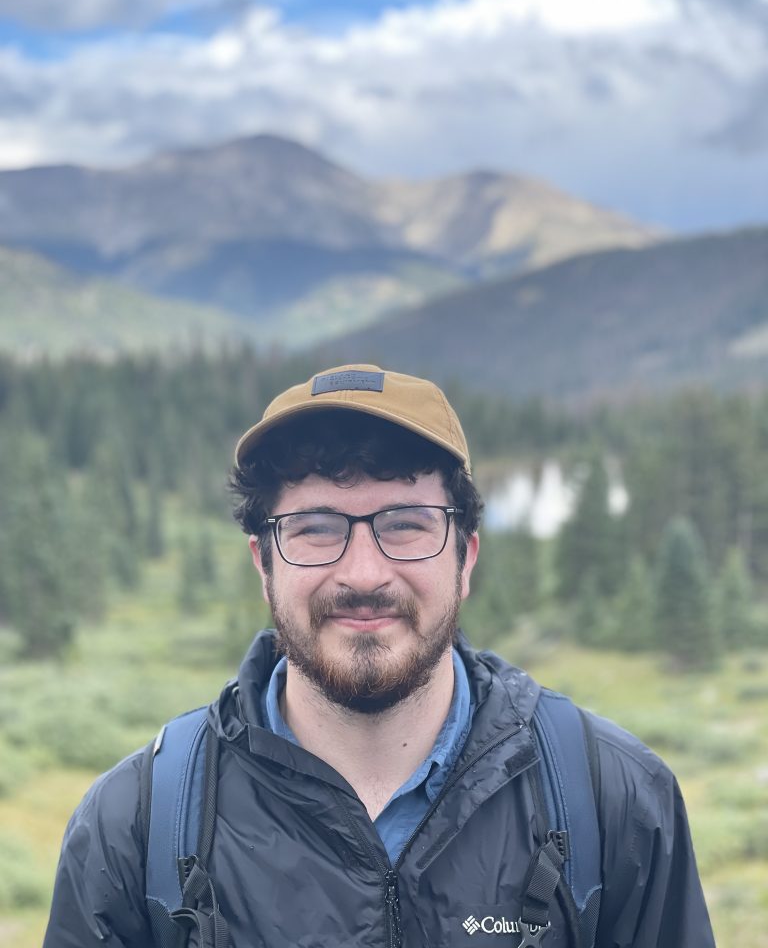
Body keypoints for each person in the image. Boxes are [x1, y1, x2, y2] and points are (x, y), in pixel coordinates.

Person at [44, 363, 715, 948]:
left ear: (466, 556)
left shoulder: (614, 801)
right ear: (264, 563)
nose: (364, 573)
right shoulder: (134, 826)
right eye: (314, 528)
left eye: (405, 525)